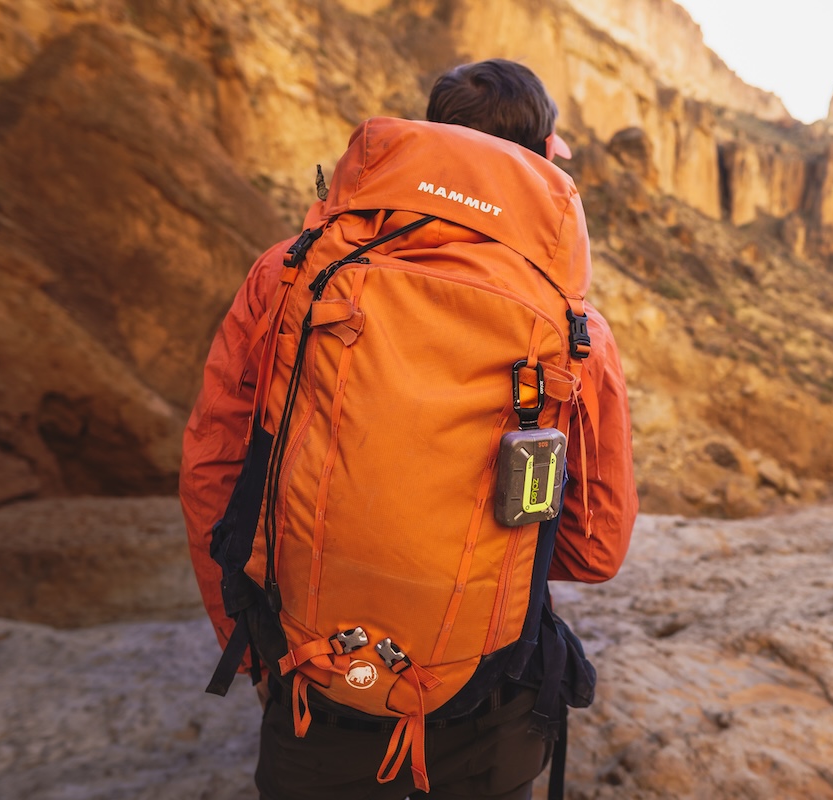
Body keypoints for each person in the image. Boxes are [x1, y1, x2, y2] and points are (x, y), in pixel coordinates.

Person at [179, 59, 637, 800]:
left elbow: (213, 476)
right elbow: (595, 548)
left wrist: (262, 650)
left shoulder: (288, 275)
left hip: (312, 690)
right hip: (488, 714)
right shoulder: (577, 331)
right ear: (546, 160)